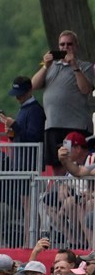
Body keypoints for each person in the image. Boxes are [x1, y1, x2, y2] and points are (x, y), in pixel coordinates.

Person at [30, 29, 95, 174]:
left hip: (75, 125)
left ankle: (78, 192)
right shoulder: (51, 67)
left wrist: (74, 66)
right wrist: (45, 66)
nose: (65, 48)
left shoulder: (85, 66)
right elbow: (33, 85)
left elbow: (85, 89)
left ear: (76, 46)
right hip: (53, 124)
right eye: (62, 44)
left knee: (76, 161)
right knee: (57, 163)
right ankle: (60, 193)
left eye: (69, 44)